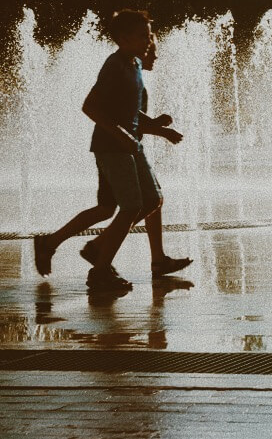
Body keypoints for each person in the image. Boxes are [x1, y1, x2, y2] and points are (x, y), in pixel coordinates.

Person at [33, 34, 191, 281]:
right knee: (143, 202)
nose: (155, 55)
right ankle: (99, 251)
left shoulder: (133, 73)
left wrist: (157, 126)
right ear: (133, 44)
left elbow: (129, 117)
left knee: (115, 207)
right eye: (150, 50)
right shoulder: (120, 69)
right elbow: (106, 112)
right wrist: (157, 130)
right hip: (115, 148)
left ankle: (58, 243)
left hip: (123, 148)